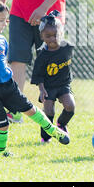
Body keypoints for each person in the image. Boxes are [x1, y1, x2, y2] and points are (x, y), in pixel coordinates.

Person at [0, 0, 70, 157]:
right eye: (2, 20)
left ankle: (52, 130)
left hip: (8, 86)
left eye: (7, 20)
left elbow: (2, 61)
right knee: (2, 125)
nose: (5, 23)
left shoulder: (2, 40)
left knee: (30, 109)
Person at [30, 11, 75, 144]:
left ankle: (61, 124)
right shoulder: (42, 55)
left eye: (55, 35)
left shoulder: (68, 48)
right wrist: (42, 90)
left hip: (63, 85)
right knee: (48, 111)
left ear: (61, 33)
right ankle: (46, 137)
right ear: (42, 36)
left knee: (70, 106)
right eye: (47, 36)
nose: (52, 39)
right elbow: (38, 75)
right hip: (48, 87)